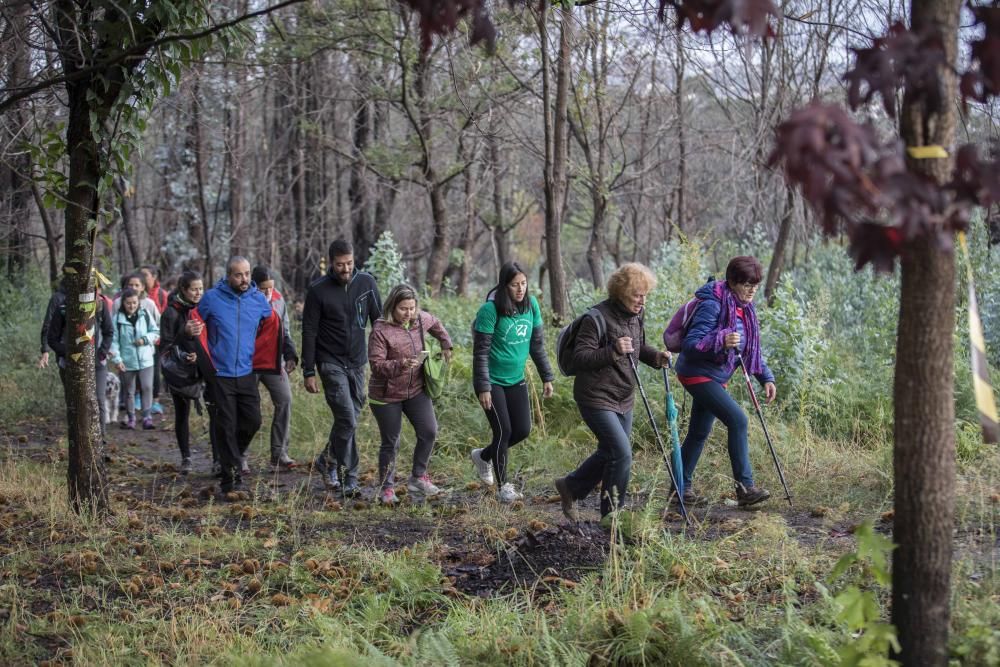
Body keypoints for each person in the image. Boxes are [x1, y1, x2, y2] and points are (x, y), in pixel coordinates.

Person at [552, 263, 671, 521]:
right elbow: (582, 357)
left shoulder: (637, 315)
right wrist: (613, 351)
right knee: (621, 453)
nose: (642, 300)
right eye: (637, 295)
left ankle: (571, 487)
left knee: (610, 452)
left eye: (645, 295)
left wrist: (656, 357)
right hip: (595, 396)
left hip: (623, 397)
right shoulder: (596, 318)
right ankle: (612, 518)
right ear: (621, 292)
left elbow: (638, 347)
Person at [672, 256, 776, 507]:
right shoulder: (713, 303)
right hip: (696, 372)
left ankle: (679, 489)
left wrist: (766, 377)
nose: (752, 290)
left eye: (755, 284)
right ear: (732, 281)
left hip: (717, 377)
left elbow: (749, 350)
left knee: (698, 433)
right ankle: (745, 488)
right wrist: (720, 339)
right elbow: (691, 343)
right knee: (738, 420)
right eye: (746, 284)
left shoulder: (746, 308)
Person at [186, 257, 282, 495]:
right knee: (226, 424)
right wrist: (190, 331)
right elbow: (195, 319)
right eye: (239, 275)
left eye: (247, 274)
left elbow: (271, 326)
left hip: (247, 372)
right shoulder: (212, 298)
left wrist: (282, 351)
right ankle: (231, 480)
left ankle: (231, 457)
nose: (245, 279)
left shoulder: (257, 300)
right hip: (220, 373)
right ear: (228, 275)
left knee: (253, 421)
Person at [301, 239, 382, 497]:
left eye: (349, 263)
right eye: (340, 265)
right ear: (331, 263)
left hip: (358, 362)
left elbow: (378, 323)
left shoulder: (367, 283)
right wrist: (308, 370)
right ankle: (351, 478)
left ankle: (326, 460)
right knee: (347, 417)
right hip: (330, 361)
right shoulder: (318, 290)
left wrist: (383, 359)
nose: (346, 269)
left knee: (351, 417)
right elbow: (309, 330)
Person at [470, 261, 554, 504]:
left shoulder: (532, 306)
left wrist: (546, 377)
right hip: (492, 381)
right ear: (504, 285)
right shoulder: (490, 310)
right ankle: (504, 486)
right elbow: (481, 352)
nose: (520, 289)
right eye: (515, 285)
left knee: (522, 430)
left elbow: (537, 345)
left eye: (524, 284)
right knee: (503, 431)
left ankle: (483, 456)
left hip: (515, 379)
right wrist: (483, 386)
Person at [367, 284, 454, 505]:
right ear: (392, 307)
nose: (408, 314)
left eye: (412, 308)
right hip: (386, 395)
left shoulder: (419, 319)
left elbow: (435, 322)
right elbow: (376, 365)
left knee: (429, 430)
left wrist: (446, 343)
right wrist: (402, 364)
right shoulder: (380, 330)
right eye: (403, 309)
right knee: (391, 442)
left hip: (415, 390)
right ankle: (387, 489)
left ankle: (418, 477)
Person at [47, 275, 114, 431]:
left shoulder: (100, 306)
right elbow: (52, 338)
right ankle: (78, 439)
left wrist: (102, 352)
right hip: (70, 363)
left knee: (98, 400)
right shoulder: (63, 309)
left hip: (97, 363)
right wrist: (69, 353)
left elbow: (109, 331)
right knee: (75, 402)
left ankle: (100, 441)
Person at [251, 265, 299, 470]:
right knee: (249, 411)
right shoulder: (246, 301)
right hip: (249, 362)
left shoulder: (279, 301)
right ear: (254, 287)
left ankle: (279, 453)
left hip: (274, 361)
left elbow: (285, 331)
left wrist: (290, 354)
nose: (268, 292)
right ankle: (240, 456)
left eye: (271, 287)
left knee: (285, 399)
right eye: (263, 288)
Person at [160, 270, 205, 474]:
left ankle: (218, 459)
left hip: (205, 368)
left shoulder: (204, 309)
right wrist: (183, 334)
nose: (198, 293)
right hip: (180, 372)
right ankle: (186, 457)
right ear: (183, 290)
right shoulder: (170, 312)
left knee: (216, 410)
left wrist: (200, 356)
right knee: (182, 413)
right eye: (194, 289)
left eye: (201, 289)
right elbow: (166, 347)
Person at [110, 288, 160, 430]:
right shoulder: (117, 320)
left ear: (138, 302)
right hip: (127, 361)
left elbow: (155, 331)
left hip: (146, 359)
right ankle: (131, 418)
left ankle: (147, 417)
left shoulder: (145, 314)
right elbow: (114, 342)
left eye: (134, 303)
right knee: (129, 391)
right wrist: (117, 360)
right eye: (128, 303)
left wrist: (145, 339)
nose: (132, 306)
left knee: (147, 387)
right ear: (123, 303)